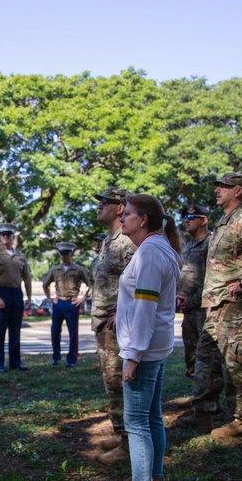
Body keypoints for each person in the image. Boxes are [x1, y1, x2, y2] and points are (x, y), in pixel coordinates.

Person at [104, 194, 181, 481]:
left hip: (145, 349)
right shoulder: (161, 248)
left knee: (137, 423)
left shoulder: (150, 252)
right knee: (151, 418)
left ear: (144, 220)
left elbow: (146, 306)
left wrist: (132, 356)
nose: (123, 219)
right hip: (155, 345)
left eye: (129, 214)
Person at [186, 172, 242, 439]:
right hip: (217, 305)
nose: (217, 190)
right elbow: (217, 270)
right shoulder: (223, 225)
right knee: (205, 358)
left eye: (223, 186)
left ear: (238, 191)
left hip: (238, 305)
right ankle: (205, 410)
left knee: (238, 361)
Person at [89, 187, 136, 465]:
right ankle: (122, 434)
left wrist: (122, 309)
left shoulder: (127, 242)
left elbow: (137, 281)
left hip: (117, 324)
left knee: (120, 381)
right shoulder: (109, 241)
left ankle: (130, 444)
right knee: (111, 380)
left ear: (120, 208)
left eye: (104, 202)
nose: (99, 206)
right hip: (104, 323)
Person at [0, 223, 33, 372]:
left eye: (8, 235)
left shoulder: (20, 256)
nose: (6, 237)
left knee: (15, 329)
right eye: (3, 235)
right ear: (0, 237)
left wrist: (29, 297)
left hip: (16, 293)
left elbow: (27, 277)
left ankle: (15, 362)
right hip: (1, 291)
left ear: (13, 237)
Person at [42, 242, 91, 367]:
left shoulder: (78, 269)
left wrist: (82, 298)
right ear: (59, 254)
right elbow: (45, 284)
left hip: (72, 303)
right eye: (62, 254)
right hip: (58, 303)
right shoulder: (55, 270)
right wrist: (49, 298)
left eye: (66, 254)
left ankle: (71, 360)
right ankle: (56, 357)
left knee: (73, 332)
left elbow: (91, 284)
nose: (64, 256)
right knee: (55, 331)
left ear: (71, 254)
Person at [176, 204, 210, 379]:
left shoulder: (211, 244)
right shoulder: (188, 245)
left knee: (207, 357)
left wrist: (193, 300)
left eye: (191, 218)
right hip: (188, 309)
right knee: (191, 356)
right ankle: (197, 396)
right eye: (185, 218)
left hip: (205, 309)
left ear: (204, 220)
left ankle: (209, 399)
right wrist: (180, 297)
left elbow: (211, 280)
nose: (186, 221)